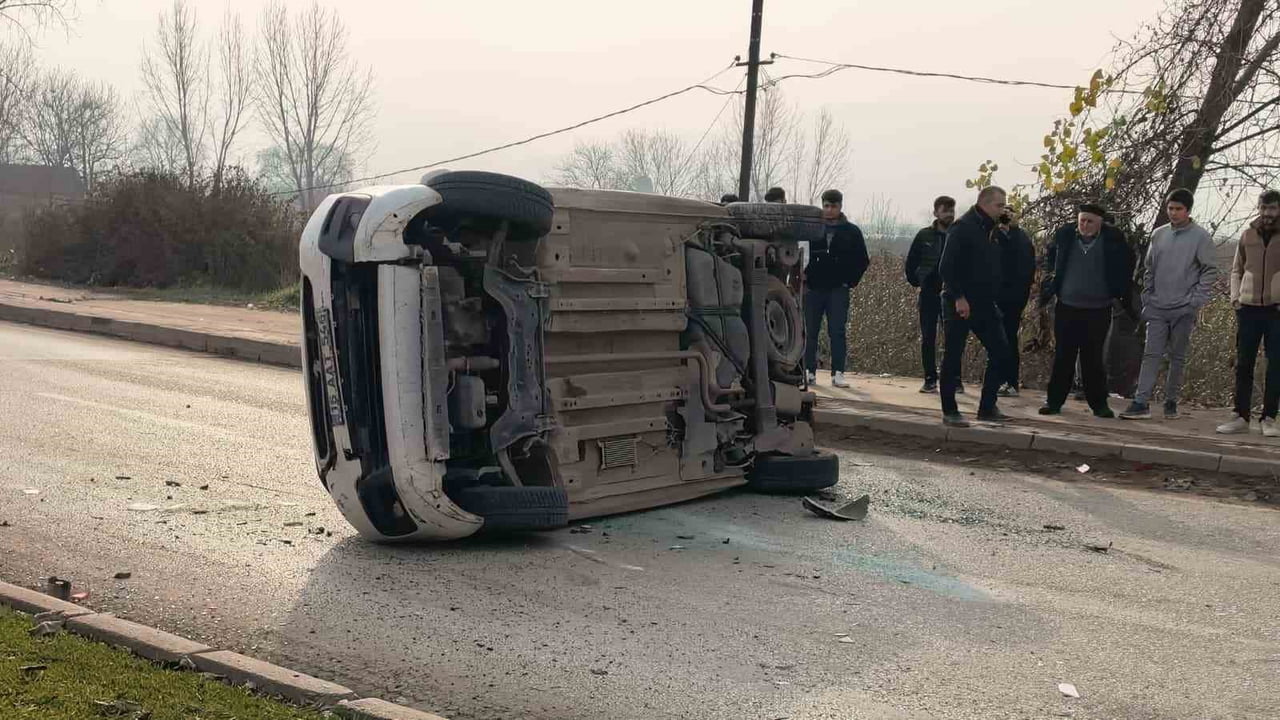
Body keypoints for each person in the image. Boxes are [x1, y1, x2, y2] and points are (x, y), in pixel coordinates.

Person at [1120, 189, 1217, 420]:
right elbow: (1149, 268)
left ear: (1188, 210)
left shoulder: (1201, 237)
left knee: (1177, 356)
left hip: (1183, 307)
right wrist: (1147, 297)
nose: (1173, 213)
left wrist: (1195, 300)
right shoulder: (1158, 234)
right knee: (1151, 354)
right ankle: (1141, 402)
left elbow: (1210, 270)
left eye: (1178, 209)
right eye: (1170, 208)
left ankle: (1170, 401)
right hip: (1157, 307)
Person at [1038, 203, 1135, 419]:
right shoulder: (1065, 236)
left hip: (1098, 309)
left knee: (1093, 359)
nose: (1085, 225)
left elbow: (1127, 264)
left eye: (1090, 221)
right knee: (1063, 356)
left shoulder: (1113, 240)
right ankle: (1054, 402)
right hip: (1067, 306)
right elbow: (1049, 260)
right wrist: (1050, 283)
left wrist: (1118, 291)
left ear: (1100, 223)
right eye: (1082, 221)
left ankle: (1099, 405)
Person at [937, 186, 1015, 427]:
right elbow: (946, 267)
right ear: (985, 204)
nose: (1002, 210)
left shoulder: (992, 229)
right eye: (999, 205)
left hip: (984, 302)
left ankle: (987, 406)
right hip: (959, 301)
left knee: (1001, 351)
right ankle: (950, 410)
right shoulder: (963, 227)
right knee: (953, 355)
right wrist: (959, 297)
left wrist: (1006, 232)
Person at [1217, 190, 1280, 436]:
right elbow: (1237, 270)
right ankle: (1241, 416)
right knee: (1244, 363)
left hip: (1276, 311)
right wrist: (1235, 298)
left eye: (1272, 208)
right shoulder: (1247, 235)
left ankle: (1269, 418)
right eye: (1263, 208)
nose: (1267, 213)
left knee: (1275, 365)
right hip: (1248, 308)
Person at [804, 188, 870, 388]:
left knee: (837, 331)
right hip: (813, 288)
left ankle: (838, 373)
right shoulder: (812, 230)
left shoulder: (851, 232)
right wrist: (803, 278)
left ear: (840, 207)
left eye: (833, 206)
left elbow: (862, 260)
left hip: (838, 290)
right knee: (810, 331)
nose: (829, 210)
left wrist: (849, 281)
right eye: (826, 206)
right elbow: (801, 254)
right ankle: (808, 370)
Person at [905, 196, 955, 393]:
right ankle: (930, 379)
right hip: (929, 293)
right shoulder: (924, 235)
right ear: (936, 213)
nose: (949, 215)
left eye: (952, 211)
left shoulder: (958, 234)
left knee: (953, 337)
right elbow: (911, 262)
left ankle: (954, 379)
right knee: (928, 337)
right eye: (945, 211)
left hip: (952, 293)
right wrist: (919, 281)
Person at [996, 211, 1036, 396]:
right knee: (998, 340)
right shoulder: (995, 236)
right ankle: (999, 380)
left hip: (1011, 299)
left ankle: (1010, 382)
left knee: (1008, 338)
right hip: (997, 296)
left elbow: (1024, 271)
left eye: (1010, 214)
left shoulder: (1021, 240)